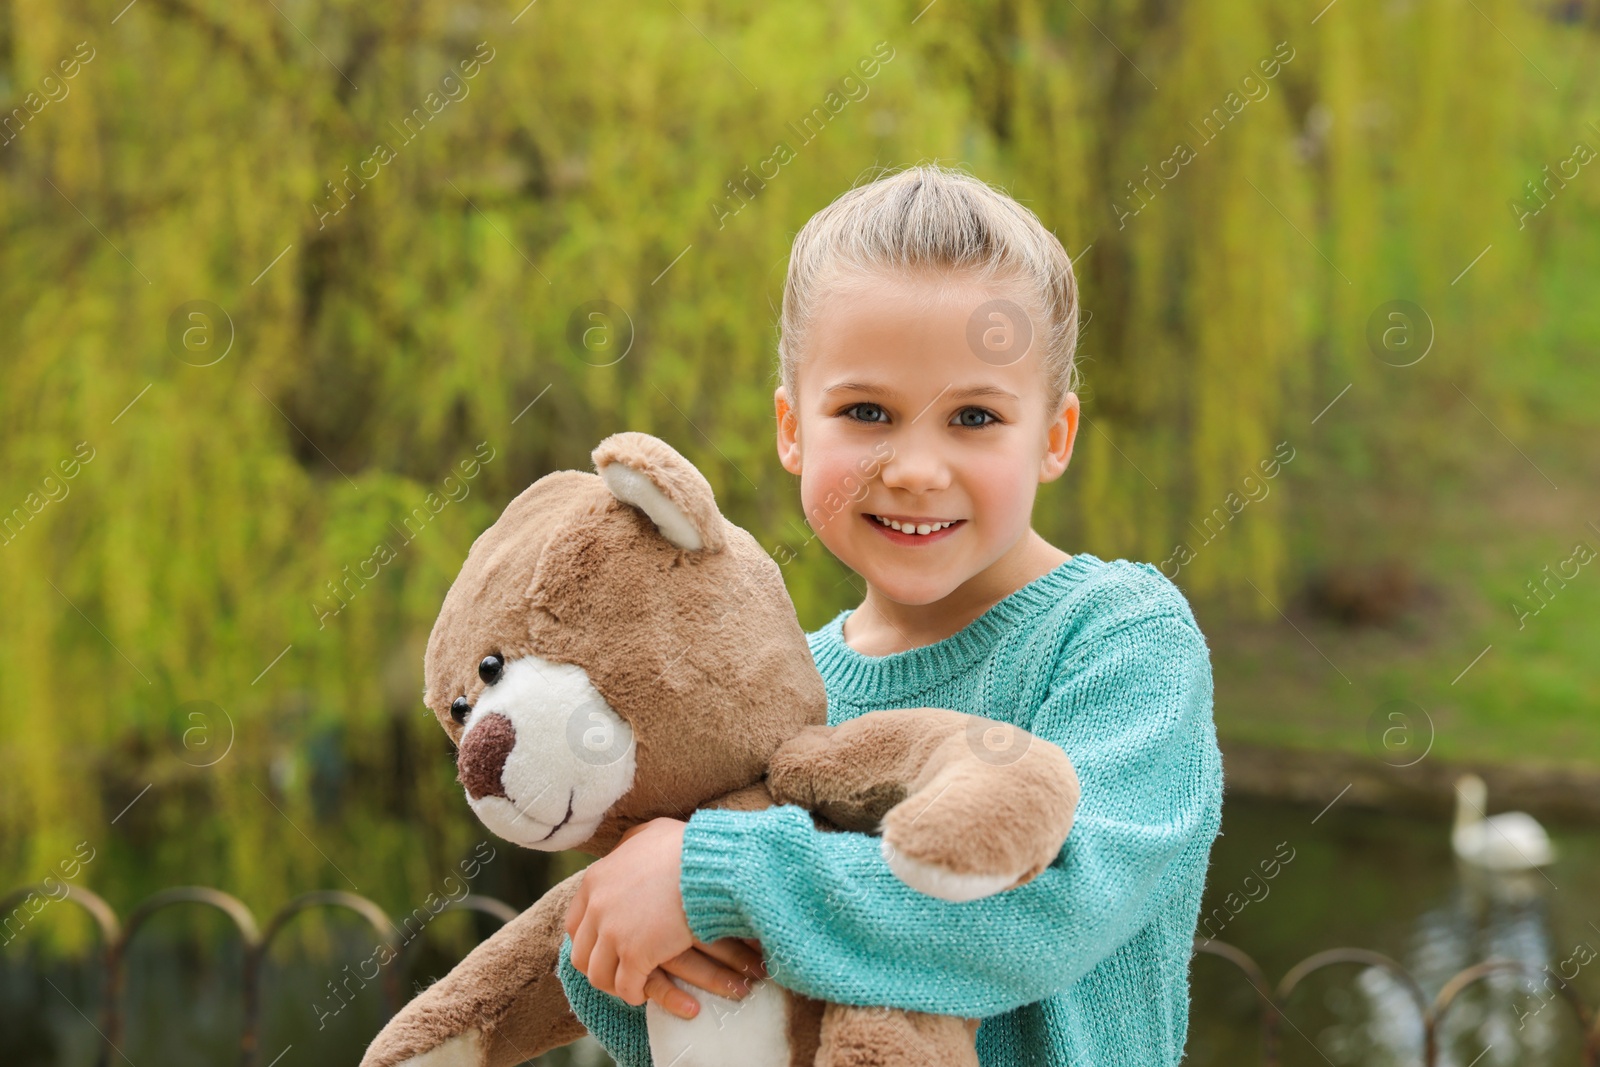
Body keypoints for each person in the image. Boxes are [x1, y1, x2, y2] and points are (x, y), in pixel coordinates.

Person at [559, 163, 1225, 1066]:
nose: (914, 467)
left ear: (1054, 436)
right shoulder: (785, 686)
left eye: (976, 417)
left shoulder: (1118, 638)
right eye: (867, 411)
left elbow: (1051, 910)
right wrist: (617, 939)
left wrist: (712, 874)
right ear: (793, 429)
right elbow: (706, 1016)